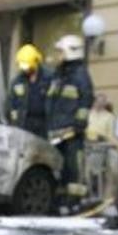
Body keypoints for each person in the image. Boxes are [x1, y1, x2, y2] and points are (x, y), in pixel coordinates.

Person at [45, 34, 94, 205]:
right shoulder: (58, 75)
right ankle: (58, 200)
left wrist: (80, 122)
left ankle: (74, 201)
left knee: (73, 167)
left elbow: (86, 99)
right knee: (58, 167)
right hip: (56, 131)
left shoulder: (80, 75)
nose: (58, 55)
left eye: (61, 51)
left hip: (71, 132)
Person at [5, 44, 51, 137]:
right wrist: (14, 123)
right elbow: (12, 104)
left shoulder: (50, 78)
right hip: (25, 124)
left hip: (44, 124)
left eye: (28, 67)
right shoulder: (17, 82)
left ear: (36, 63)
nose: (25, 70)